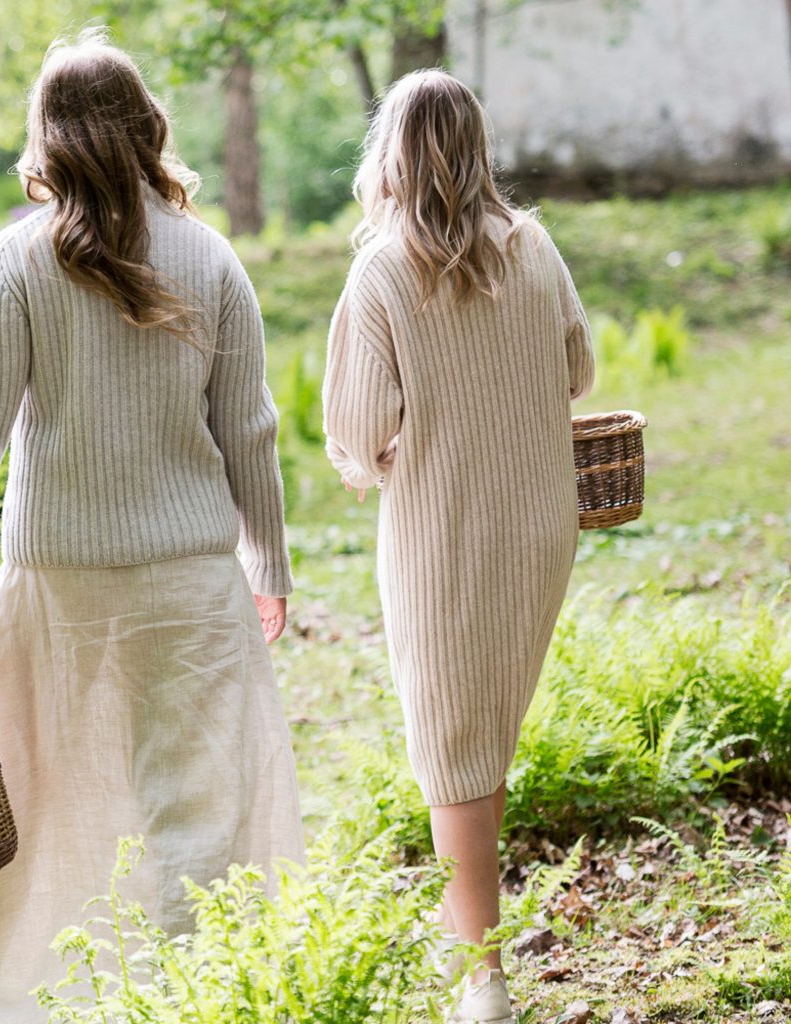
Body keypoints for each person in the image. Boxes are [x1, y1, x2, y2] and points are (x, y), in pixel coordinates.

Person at [0, 29, 304, 1024]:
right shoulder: (212, 256)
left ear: (46, 140)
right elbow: (250, 430)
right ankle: (199, 1001)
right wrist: (266, 561)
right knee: (195, 804)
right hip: (188, 574)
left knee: (19, 809)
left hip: (54, 583)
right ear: (148, 128)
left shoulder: (15, 260)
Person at [322, 70, 595, 1024]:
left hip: (443, 535)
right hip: (537, 524)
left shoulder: (383, 270)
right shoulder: (535, 243)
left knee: (451, 755)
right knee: (482, 740)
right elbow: (577, 368)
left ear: (390, 154)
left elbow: (357, 432)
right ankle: (473, 938)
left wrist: (377, 454)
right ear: (476, 148)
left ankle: (481, 979)